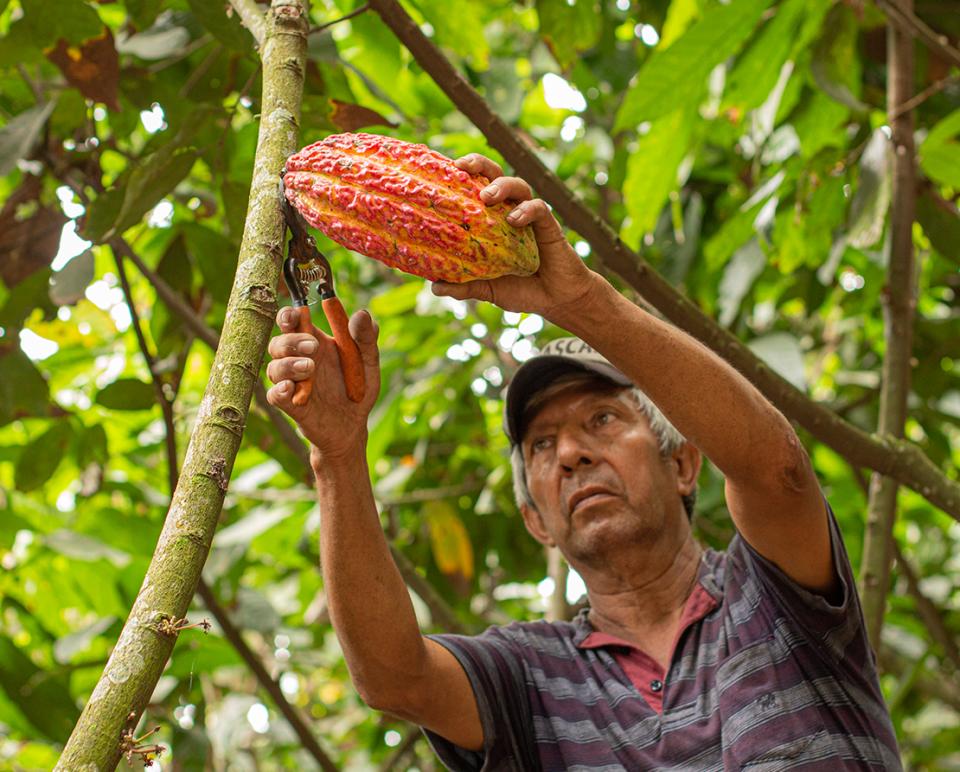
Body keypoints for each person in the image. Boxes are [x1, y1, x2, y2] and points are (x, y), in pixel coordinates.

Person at [266, 154, 901, 769]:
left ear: (683, 464)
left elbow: (777, 471)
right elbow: (393, 678)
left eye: (602, 420)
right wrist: (338, 455)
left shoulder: (775, 594)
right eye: (542, 445)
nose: (570, 453)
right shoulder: (528, 675)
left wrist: (577, 301)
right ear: (535, 521)